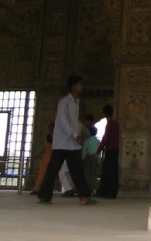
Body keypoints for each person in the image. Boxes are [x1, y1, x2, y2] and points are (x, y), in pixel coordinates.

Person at [37, 75, 97, 206]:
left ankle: (84, 196)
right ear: (74, 86)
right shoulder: (64, 102)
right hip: (61, 143)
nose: (82, 86)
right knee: (52, 170)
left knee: (78, 171)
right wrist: (75, 135)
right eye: (80, 84)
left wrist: (76, 135)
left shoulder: (77, 102)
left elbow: (74, 122)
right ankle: (44, 195)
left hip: (72, 144)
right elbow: (64, 122)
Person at [96, 105, 120, 198]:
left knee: (107, 171)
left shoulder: (110, 124)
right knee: (113, 171)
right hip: (115, 150)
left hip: (110, 150)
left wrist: (98, 151)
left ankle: (106, 192)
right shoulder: (116, 124)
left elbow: (106, 138)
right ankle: (112, 192)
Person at [31, 122, 54, 195]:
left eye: (52, 128)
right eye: (49, 128)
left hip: (55, 157)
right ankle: (36, 189)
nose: (51, 129)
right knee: (41, 174)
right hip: (46, 158)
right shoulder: (47, 137)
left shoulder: (58, 137)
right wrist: (38, 154)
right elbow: (45, 148)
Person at [82, 126, 100, 196]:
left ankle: (88, 190)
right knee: (93, 174)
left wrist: (82, 158)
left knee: (87, 174)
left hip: (88, 157)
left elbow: (84, 151)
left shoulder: (87, 141)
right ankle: (93, 190)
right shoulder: (97, 141)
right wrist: (98, 160)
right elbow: (98, 152)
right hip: (95, 158)